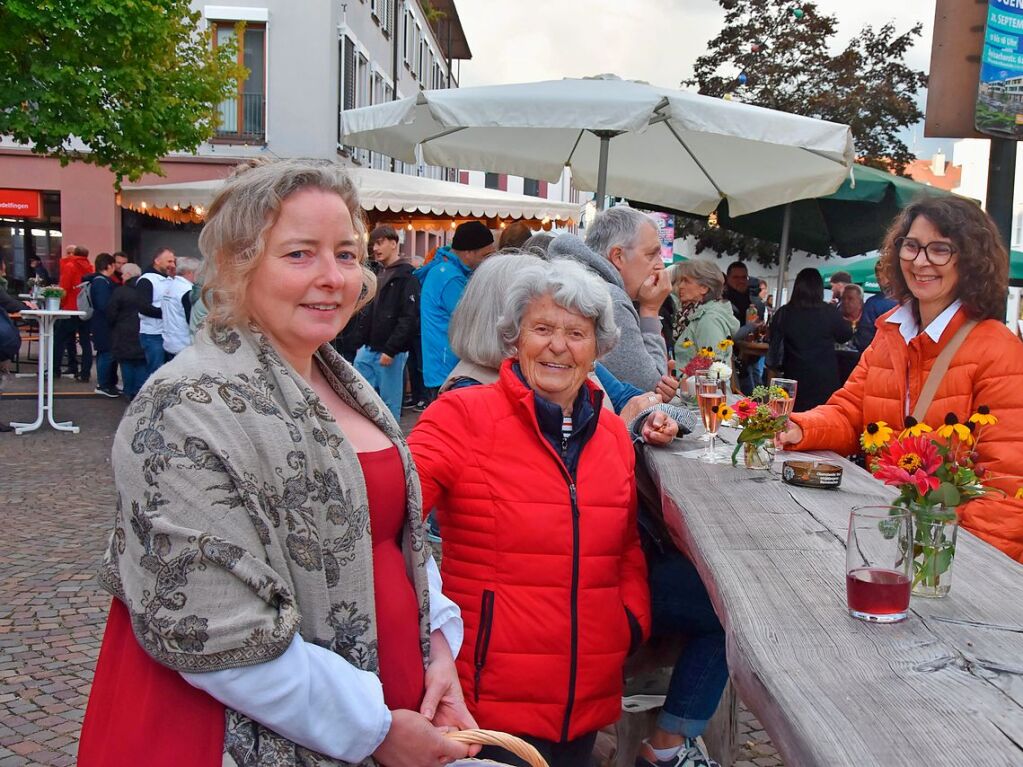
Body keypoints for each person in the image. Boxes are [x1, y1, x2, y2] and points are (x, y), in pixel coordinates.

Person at [79, 159, 478, 767]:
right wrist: (370, 729)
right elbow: (212, 626)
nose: (332, 277)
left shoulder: (342, 381)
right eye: (299, 254)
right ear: (239, 264)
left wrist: (438, 649)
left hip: (384, 706)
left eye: (346, 254)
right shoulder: (183, 405)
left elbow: (396, 538)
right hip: (227, 727)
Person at [409, 257, 651, 767]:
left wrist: (628, 622)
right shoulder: (460, 416)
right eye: (542, 328)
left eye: (577, 333)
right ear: (515, 339)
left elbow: (625, 547)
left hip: (585, 697)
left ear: (598, 349)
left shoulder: (610, 435)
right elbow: (391, 523)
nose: (558, 346)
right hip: (488, 704)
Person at [779, 196, 1023, 562]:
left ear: (971, 259)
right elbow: (850, 413)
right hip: (887, 539)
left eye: (940, 249)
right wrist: (799, 429)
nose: (921, 261)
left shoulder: (998, 348)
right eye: (911, 246)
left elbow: (1005, 489)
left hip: (942, 559)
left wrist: (959, 570)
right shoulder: (890, 332)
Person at [439, 253, 687, 444]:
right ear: (507, 318)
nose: (559, 344)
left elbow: (635, 398)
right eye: (543, 325)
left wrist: (656, 417)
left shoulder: (568, 366)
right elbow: (531, 475)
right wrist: (621, 430)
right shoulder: (467, 391)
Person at [548, 207, 671, 391]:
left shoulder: (577, 283)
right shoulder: (611, 299)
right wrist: (650, 310)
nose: (660, 265)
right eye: (651, 254)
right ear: (618, 256)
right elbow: (650, 387)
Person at [416, 221, 496, 399]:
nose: (488, 261)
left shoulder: (446, 270)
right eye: (486, 255)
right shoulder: (450, 277)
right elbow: (474, 319)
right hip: (448, 369)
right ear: (468, 252)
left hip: (443, 367)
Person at [355, 225, 421, 421]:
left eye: (380, 242)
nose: (375, 248)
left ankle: (392, 445)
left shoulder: (407, 276)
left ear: (393, 243)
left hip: (390, 351)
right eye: (373, 243)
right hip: (370, 347)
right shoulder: (380, 272)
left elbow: (408, 317)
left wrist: (391, 349)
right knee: (361, 395)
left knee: (389, 403)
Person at [767, 268, 852, 411]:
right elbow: (845, 335)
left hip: (794, 380)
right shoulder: (829, 312)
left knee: (793, 424)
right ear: (819, 289)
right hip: (825, 380)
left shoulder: (784, 313)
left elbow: (774, 348)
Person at [103, 263, 159, 399]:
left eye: (122, 273)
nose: (121, 276)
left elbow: (111, 313)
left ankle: (128, 392)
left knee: (127, 364)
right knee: (141, 363)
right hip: (145, 330)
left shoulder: (120, 291)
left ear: (128, 275)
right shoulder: (148, 289)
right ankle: (140, 393)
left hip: (123, 333)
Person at [671, 260, 740, 371]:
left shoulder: (709, 319)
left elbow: (713, 369)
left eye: (686, 281)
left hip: (700, 388)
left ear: (704, 288)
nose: (680, 286)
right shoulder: (694, 314)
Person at [52, 244, 94, 382]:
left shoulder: (69, 266)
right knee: (85, 341)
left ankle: (55, 370)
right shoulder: (90, 267)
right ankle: (85, 373)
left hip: (70, 308)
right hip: (84, 309)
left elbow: (63, 288)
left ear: (74, 253)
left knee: (59, 339)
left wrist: (61, 305)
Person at [88, 253, 120, 397]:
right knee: (106, 353)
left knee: (106, 353)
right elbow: (103, 305)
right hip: (104, 324)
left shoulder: (98, 281)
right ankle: (103, 384)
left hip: (101, 323)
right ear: (109, 265)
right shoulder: (102, 282)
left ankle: (108, 383)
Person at [161, 256, 200, 361]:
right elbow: (191, 318)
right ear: (189, 272)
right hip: (184, 344)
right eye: (198, 272)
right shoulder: (186, 291)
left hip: (169, 342)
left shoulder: (169, 286)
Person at [860, 261, 898, 332]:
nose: (878, 280)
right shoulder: (914, 298)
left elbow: (865, 337)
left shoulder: (873, 303)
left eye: (878, 277)